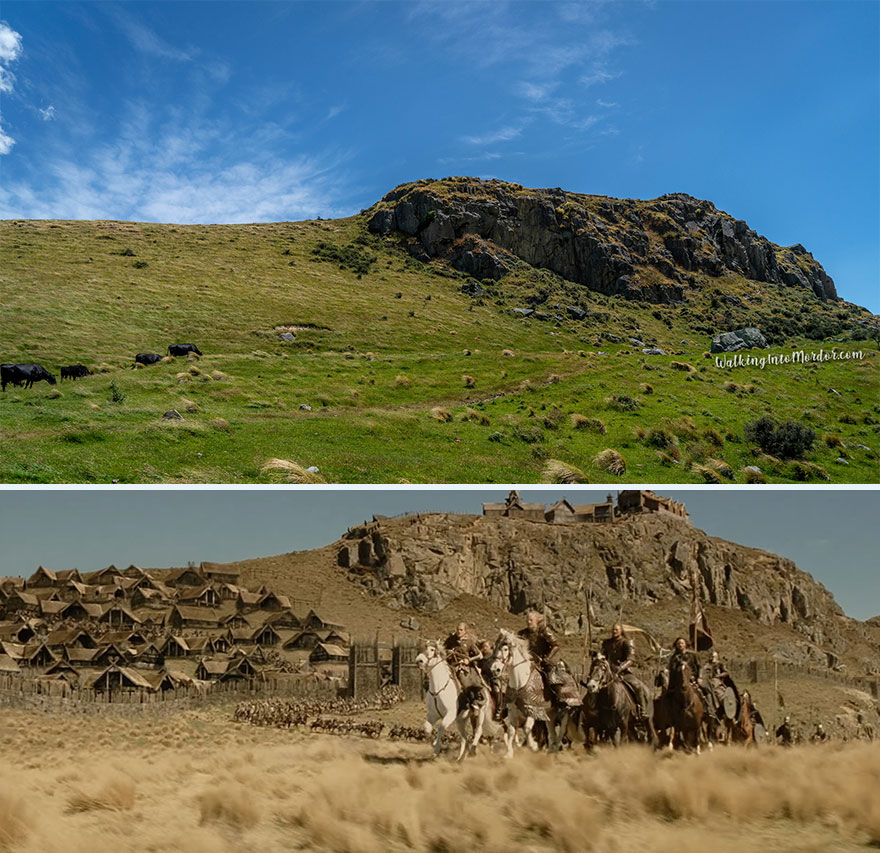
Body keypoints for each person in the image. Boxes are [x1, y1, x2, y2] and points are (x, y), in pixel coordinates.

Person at [601, 623, 650, 721]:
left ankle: (642, 710)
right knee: (594, 685)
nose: (614, 631)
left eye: (616, 630)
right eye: (613, 630)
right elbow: (603, 655)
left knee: (637, 686)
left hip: (623, 672)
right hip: (608, 672)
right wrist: (597, 656)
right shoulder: (606, 643)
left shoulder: (626, 643)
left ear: (621, 631)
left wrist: (621, 667)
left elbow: (631, 659)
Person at [443, 621, 481, 688]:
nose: (459, 631)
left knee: (465, 683)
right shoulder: (451, 640)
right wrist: (448, 651)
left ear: (465, 631)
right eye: (457, 629)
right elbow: (443, 649)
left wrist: (468, 660)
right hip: (449, 666)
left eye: (461, 630)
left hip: (461, 667)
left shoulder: (469, 642)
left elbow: (480, 655)